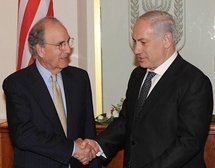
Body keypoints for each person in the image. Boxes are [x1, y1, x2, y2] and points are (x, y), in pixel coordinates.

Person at [77, 10, 214, 168]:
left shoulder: (194, 82)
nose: (136, 50)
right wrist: (97, 146)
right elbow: (126, 122)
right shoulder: (138, 75)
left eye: (143, 42)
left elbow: (188, 143)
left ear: (166, 40)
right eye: (135, 42)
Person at [2, 16, 100, 168]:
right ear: (41, 50)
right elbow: (24, 135)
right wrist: (72, 148)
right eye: (61, 44)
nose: (68, 49)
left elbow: (89, 131)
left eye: (68, 42)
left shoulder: (79, 78)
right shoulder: (17, 84)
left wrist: (91, 157)